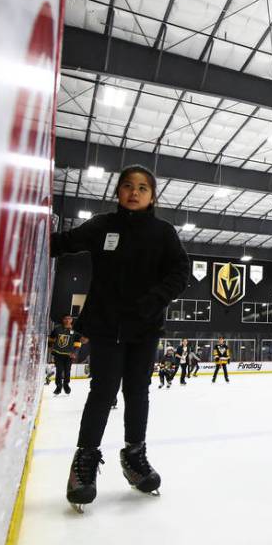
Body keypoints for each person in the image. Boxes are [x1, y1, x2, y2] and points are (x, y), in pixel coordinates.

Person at [50, 164, 190, 511]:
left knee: (137, 392)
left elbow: (180, 273)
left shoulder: (163, 232)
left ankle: (134, 455)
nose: (134, 192)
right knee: (103, 391)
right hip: (106, 325)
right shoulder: (102, 226)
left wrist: (154, 300)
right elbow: (64, 243)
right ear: (118, 192)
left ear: (152, 196)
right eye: (127, 186)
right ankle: (84, 462)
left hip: (144, 327)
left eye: (142, 188)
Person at [48, 314, 80, 395]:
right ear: (63, 320)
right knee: (59, 370)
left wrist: (74, 352)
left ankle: (66, 385)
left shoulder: (75, 331)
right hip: (58, 354)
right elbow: (51, 338)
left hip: (69, 355)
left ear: (72, 320)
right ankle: (58, 386)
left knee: (67, 370)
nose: (67, 320)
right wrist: (50, 347)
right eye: (65, 318)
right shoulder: (57, 329)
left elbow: (78, 343)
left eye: (69, 319)